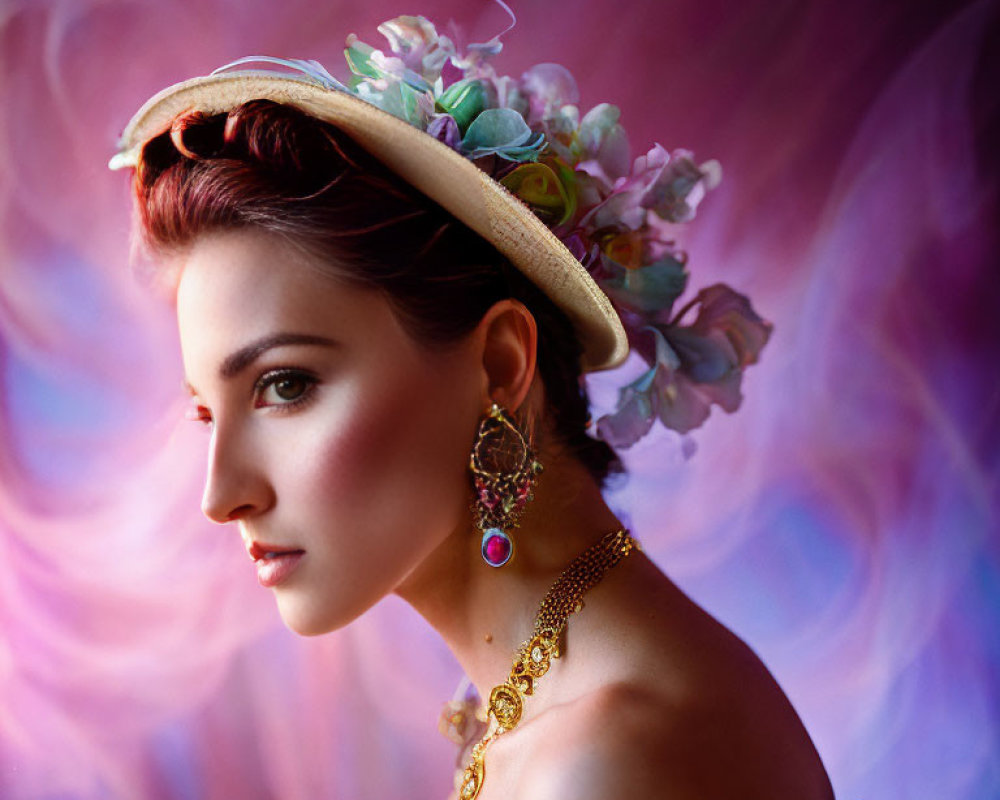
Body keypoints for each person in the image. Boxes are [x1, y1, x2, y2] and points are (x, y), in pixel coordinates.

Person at [109, 11, 834, 800]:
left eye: (286, 385)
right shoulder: (531, 694)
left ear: (499, 362)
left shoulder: (606, 761)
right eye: (206, 413)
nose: (222, 498)